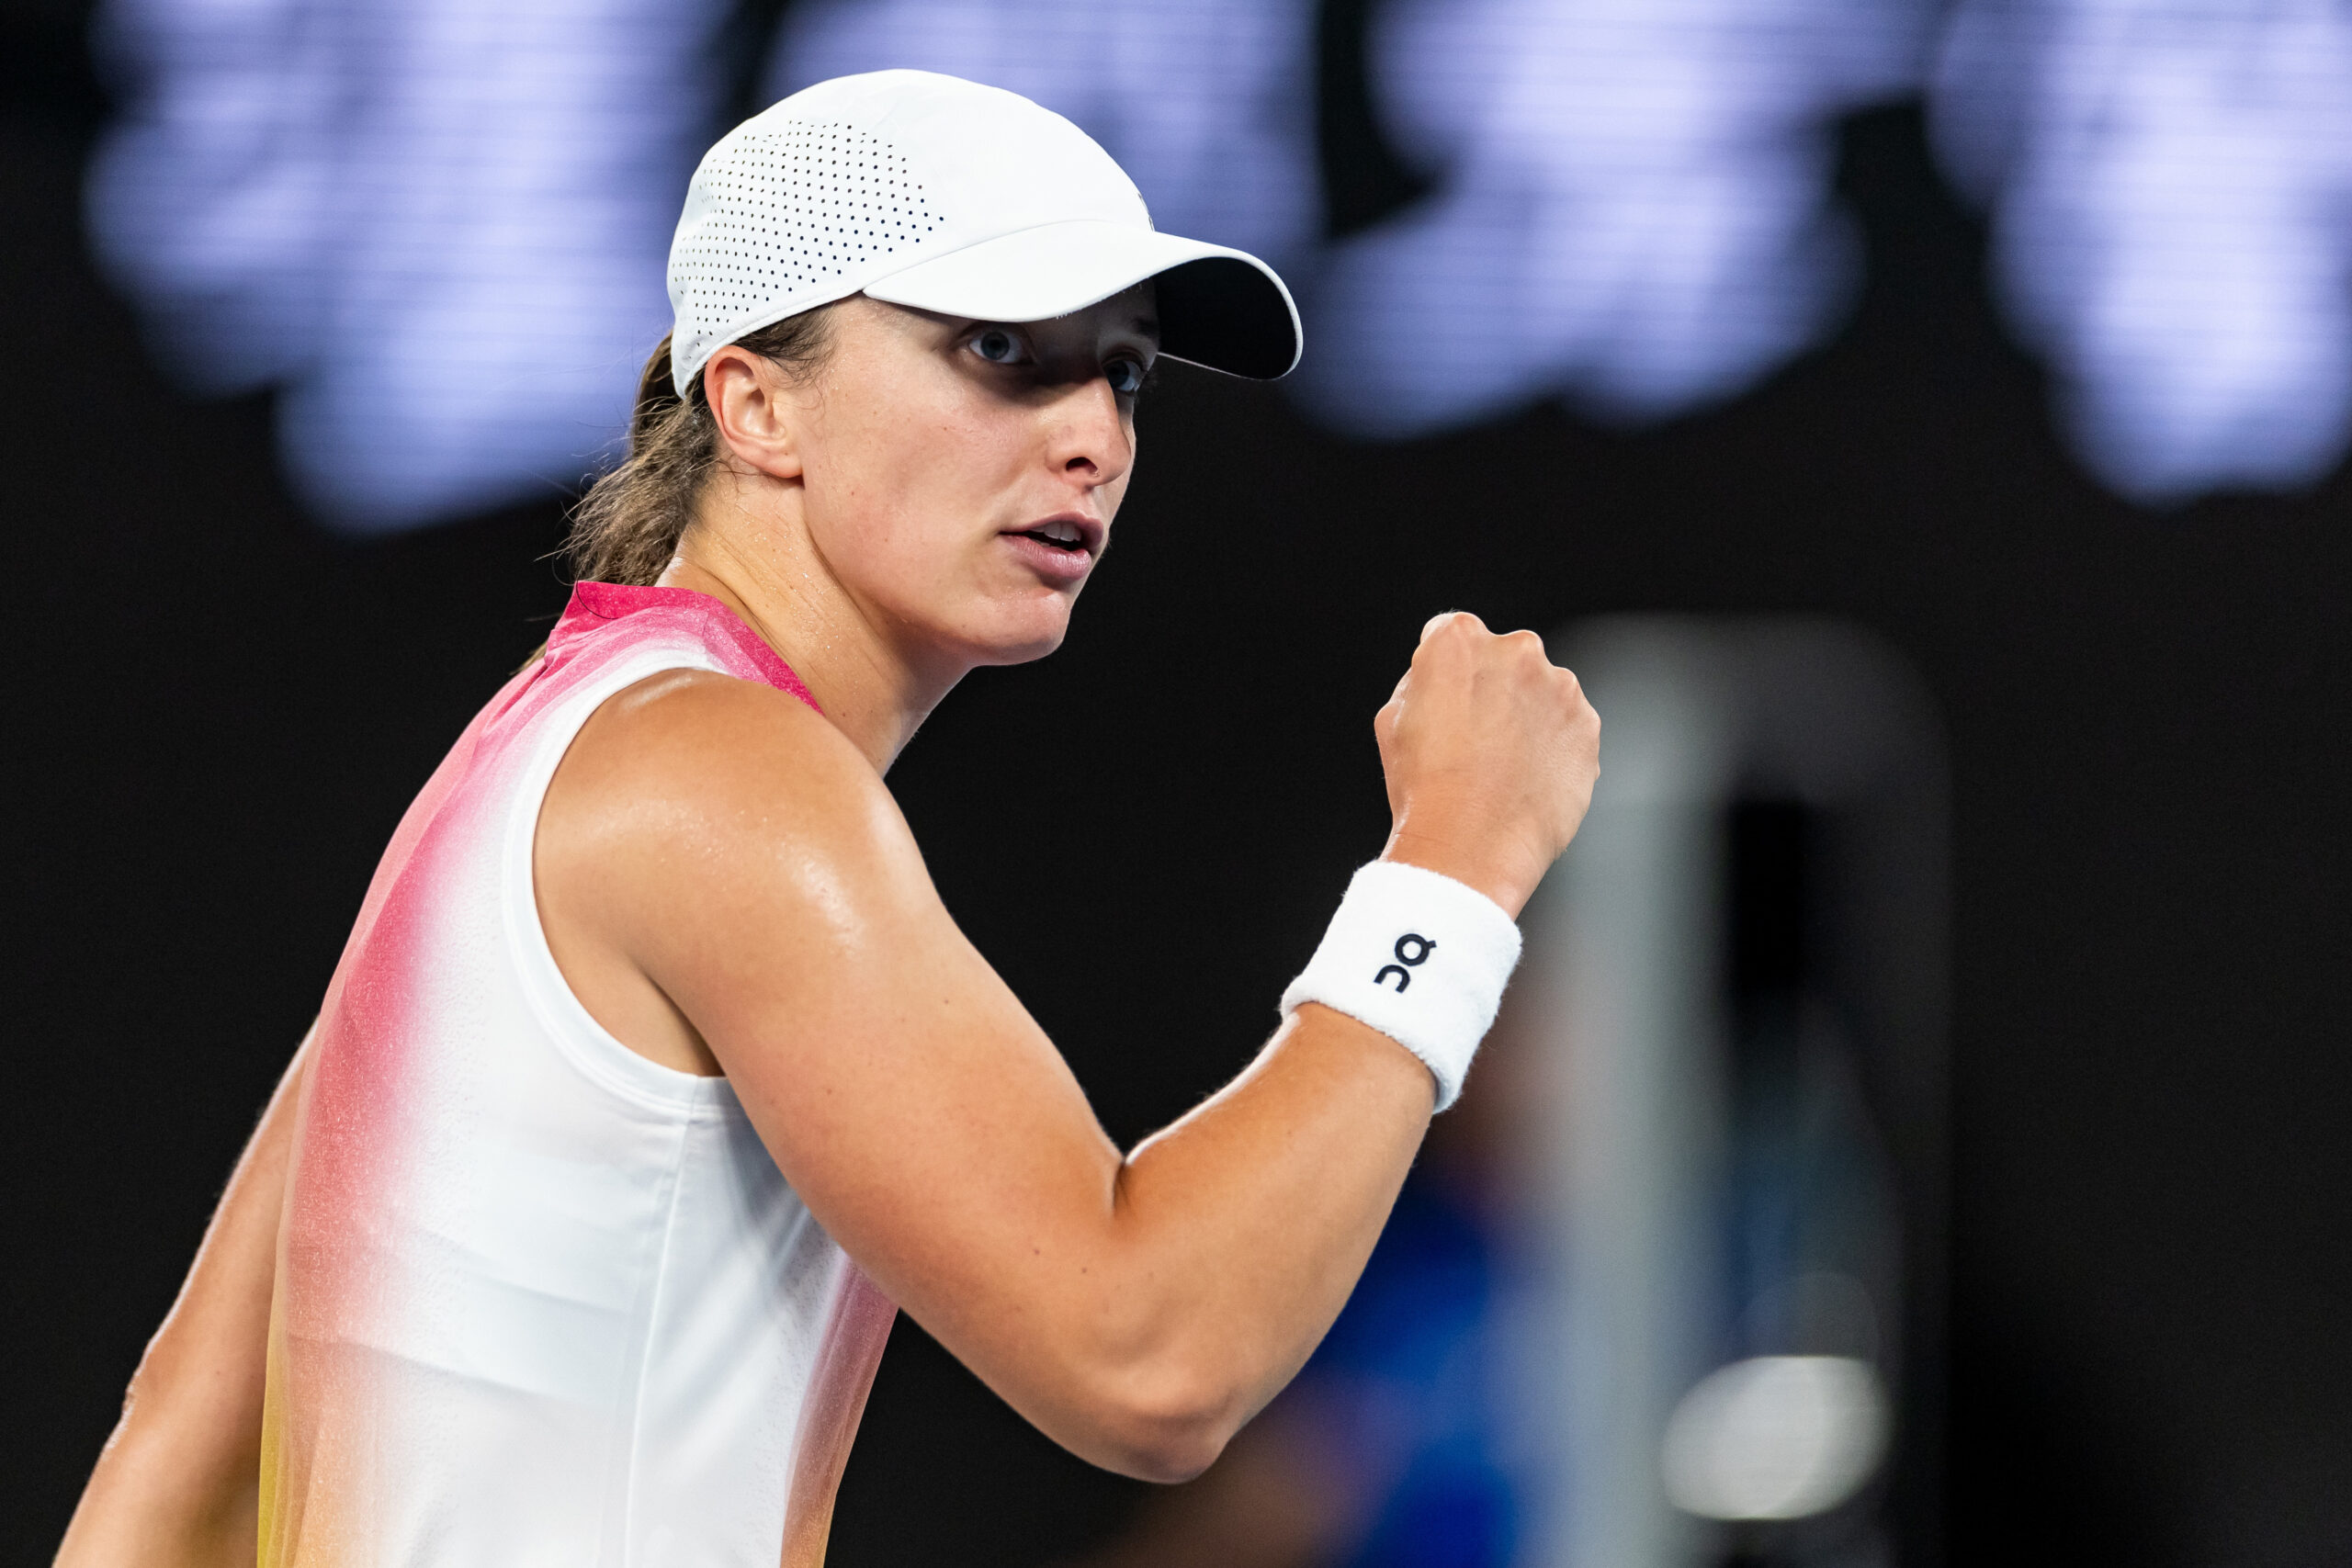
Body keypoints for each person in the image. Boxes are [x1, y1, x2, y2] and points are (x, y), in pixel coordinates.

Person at [55, 70, 1600, 1568]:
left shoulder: (546, 758)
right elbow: (1152, 1360)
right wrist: (1452, 871)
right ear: (755, 402)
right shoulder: (721, 786)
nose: (1094, 438)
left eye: (1119, 370)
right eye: (1002, 349)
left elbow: (178, 1457)